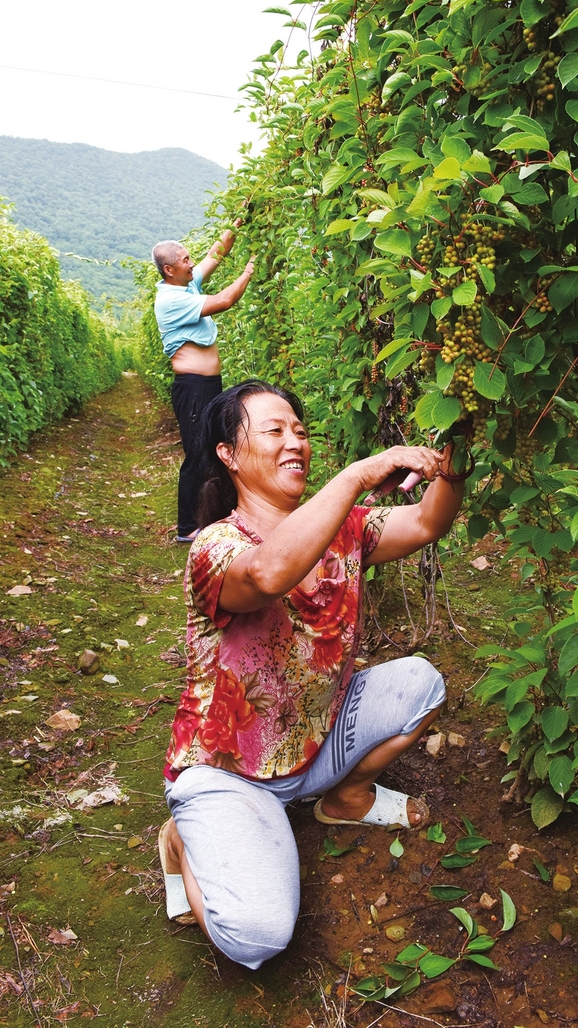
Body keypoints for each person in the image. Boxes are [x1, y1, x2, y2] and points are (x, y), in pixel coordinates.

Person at [156, 378, 469, 970]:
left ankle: (344, 796)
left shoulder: (344, 533)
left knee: (421, 683)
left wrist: (453, 466)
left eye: (298, 429)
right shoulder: (215, 546)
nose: (293, 440)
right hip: (228, 772)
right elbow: (269, 573)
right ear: (229, 455)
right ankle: (182, 843)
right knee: (257, 936)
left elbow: (427, 524)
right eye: (273, 431)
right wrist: (353, 476)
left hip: (312, 744)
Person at [152, 223, 254, 542]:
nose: (191, 262)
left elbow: (215, 255)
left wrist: (235, 225)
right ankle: (187, 529)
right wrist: (250, 270)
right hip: (193, 388)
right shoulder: (171, 299)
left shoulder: (185, 286)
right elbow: (224, 300)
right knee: (197, 455)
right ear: (170, 269)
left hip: (206, 387)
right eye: (185, 259)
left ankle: (210, 519)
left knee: (212, 450)